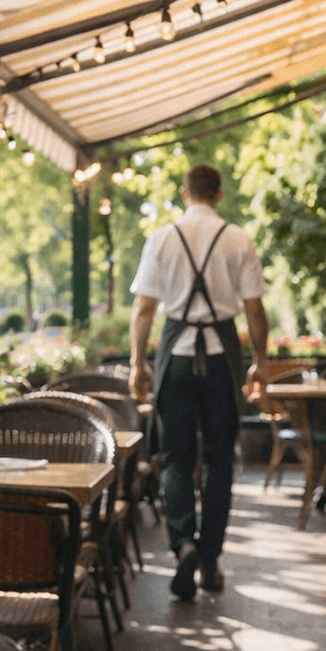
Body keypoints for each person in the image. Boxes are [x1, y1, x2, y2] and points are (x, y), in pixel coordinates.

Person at [128, 164, 268, 601]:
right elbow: (255, 310)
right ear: (219, 194)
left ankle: (183, 543)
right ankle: (210, 560)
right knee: (219, 460)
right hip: (222, 358)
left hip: (177, 357)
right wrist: (261, 363)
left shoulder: (162, 238)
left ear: (185, 193)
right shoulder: (238, 238)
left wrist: (137, 362)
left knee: (175, 458)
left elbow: (144, 309)